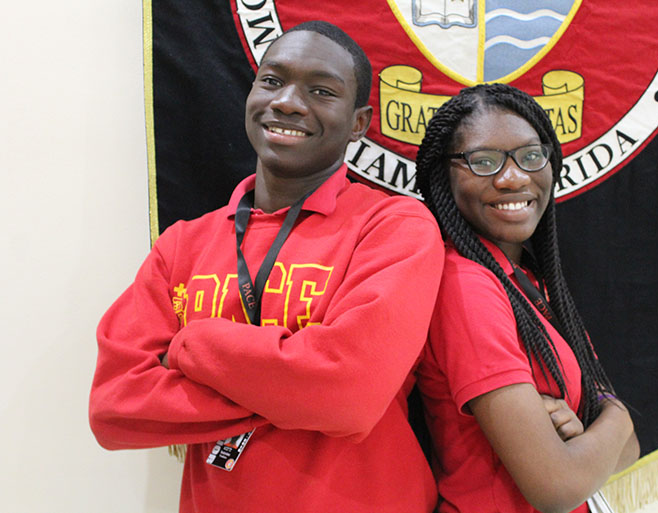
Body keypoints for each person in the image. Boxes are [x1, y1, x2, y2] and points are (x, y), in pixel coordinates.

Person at [89, 21, 444, 513]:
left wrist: (195, 345)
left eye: (321, 91)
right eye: (272, 81)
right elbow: (115, 407)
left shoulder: (394, 226)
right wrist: (300, 386)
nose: (288, 103)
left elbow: (347, 393)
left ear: (359, 122)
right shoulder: (183, 244)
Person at [414, 83, 639, 513]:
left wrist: (594, 433)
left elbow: (629, 450)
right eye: (483, 161)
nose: (513, 176)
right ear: (444, 176)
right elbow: (556, 485)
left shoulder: (527, 281)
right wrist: (618, 418)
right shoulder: (466, 286)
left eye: (531, 156)